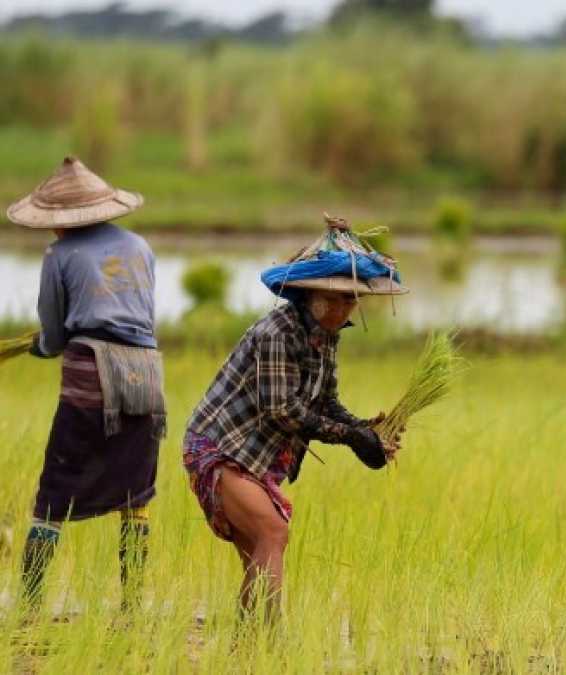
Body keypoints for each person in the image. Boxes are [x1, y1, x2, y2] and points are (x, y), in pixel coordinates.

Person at [182, 220, 407, 623]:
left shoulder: (327, 335)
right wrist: (350, 437)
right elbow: (282, 410)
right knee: (273, 532)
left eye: (351, 299)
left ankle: (248, 650)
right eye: (333, 299)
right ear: (307, 295)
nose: (342, 309)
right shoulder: (277, 333)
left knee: (259, 554)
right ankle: (272, 643)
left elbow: (327, 404)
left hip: (260, 458)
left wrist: (365, 431)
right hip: (221, 448)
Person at [5, 156, 165, 613]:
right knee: (136, 493)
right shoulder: (140, 246)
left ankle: (30, 606)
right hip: (146, 375)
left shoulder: (59, 255)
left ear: (59, 221)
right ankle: (133, 607)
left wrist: (36, 347)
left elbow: (53, 338)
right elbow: (145, 321)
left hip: (90, 374)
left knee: (56, 487)